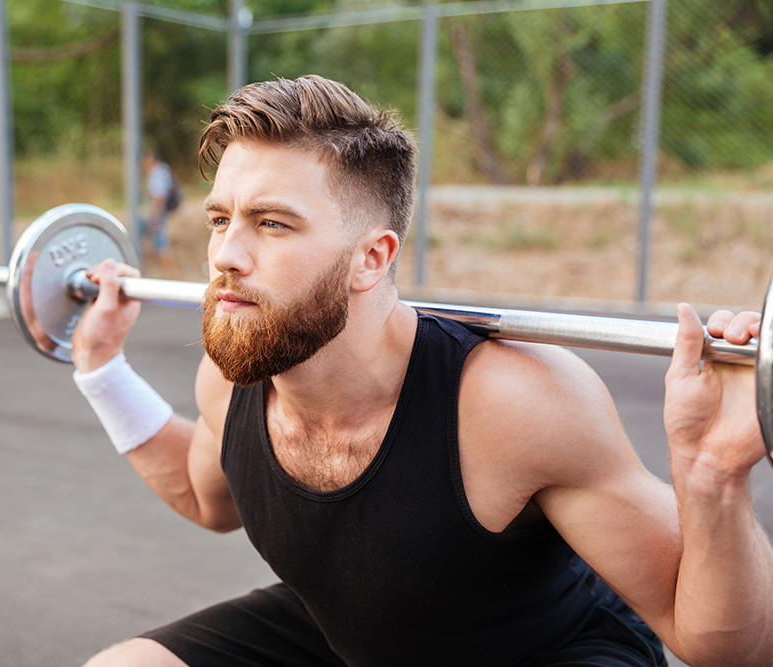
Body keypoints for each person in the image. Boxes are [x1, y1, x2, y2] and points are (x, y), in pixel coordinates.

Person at [71, 75, 773, 666]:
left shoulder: (514, 403)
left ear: (371, 259)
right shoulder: (233, 376)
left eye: (272, 224)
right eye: (219, 219)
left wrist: (713, 478)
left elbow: (717, 643)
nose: (225, 252)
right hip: (360, 633)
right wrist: (103, 370)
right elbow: (207, 498)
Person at [137, 149, 179, 278]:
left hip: (158, 214)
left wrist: (154, 217)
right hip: (158, 213)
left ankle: (171, 274)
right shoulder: (163, 171)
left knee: (161, 243)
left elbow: (159, 197)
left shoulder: (157, 173)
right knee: (141, 236)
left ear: (151, 159)